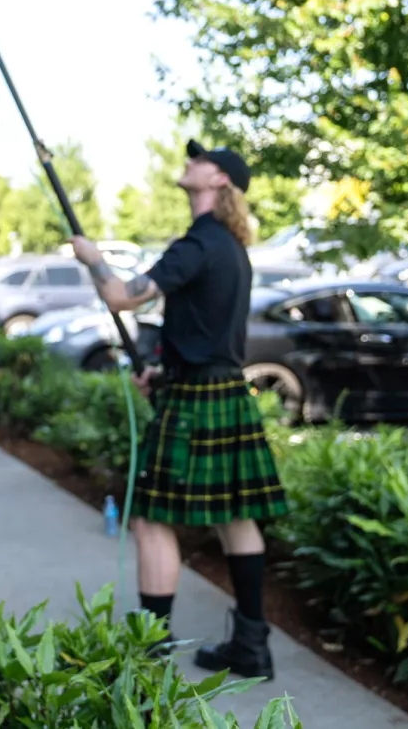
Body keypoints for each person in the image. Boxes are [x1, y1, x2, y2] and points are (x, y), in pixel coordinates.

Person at [71, 139, 286, 679]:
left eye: (201, 159)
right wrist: (165, 371)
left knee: (149, 520)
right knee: (237, 518)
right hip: (221, 391)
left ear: (219, 182)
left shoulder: (198, 243)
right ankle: (252, 646)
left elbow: (121, 296)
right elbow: (211, 338)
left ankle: (150, 657)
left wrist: (94, 259)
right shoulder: (230, 249)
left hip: (195, 403)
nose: (190, 161)